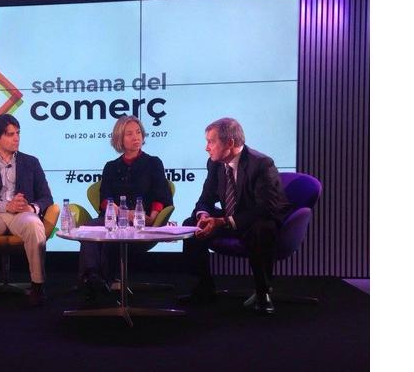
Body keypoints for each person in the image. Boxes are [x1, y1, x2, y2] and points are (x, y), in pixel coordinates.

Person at [180, 117, 291, 314]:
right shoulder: (215, 164)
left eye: (211, 142)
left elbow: (266, 208)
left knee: (261, 229)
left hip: (256, 219)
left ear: (230, 143)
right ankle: (204, 289)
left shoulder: (261, 164)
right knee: (191, 224)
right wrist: (203, 216)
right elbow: (205, 198)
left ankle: (263, 292)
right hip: (230, 218)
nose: (206, 148)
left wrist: (223, 221)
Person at [78, 115, 173, 299]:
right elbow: (104, 199)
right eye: (129, 134)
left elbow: (161, 195)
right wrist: (121, 212)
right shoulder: (111, 167)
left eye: (138, 132)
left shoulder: (153, 163)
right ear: (120, 138)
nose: (136, 137)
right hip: (113, 218)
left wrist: (152, 218)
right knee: (90, 228)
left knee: (110, 234)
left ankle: (102, 281)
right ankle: (92, 277)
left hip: (142, 221)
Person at [0, 114, 53, 307]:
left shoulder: (31, 162)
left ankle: (37, 286)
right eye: (11, 134)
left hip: (21, 214)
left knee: (34, 224)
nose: (17, 138)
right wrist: (5, 206)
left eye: (18, 133)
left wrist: (31, 207)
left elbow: (46, 197)